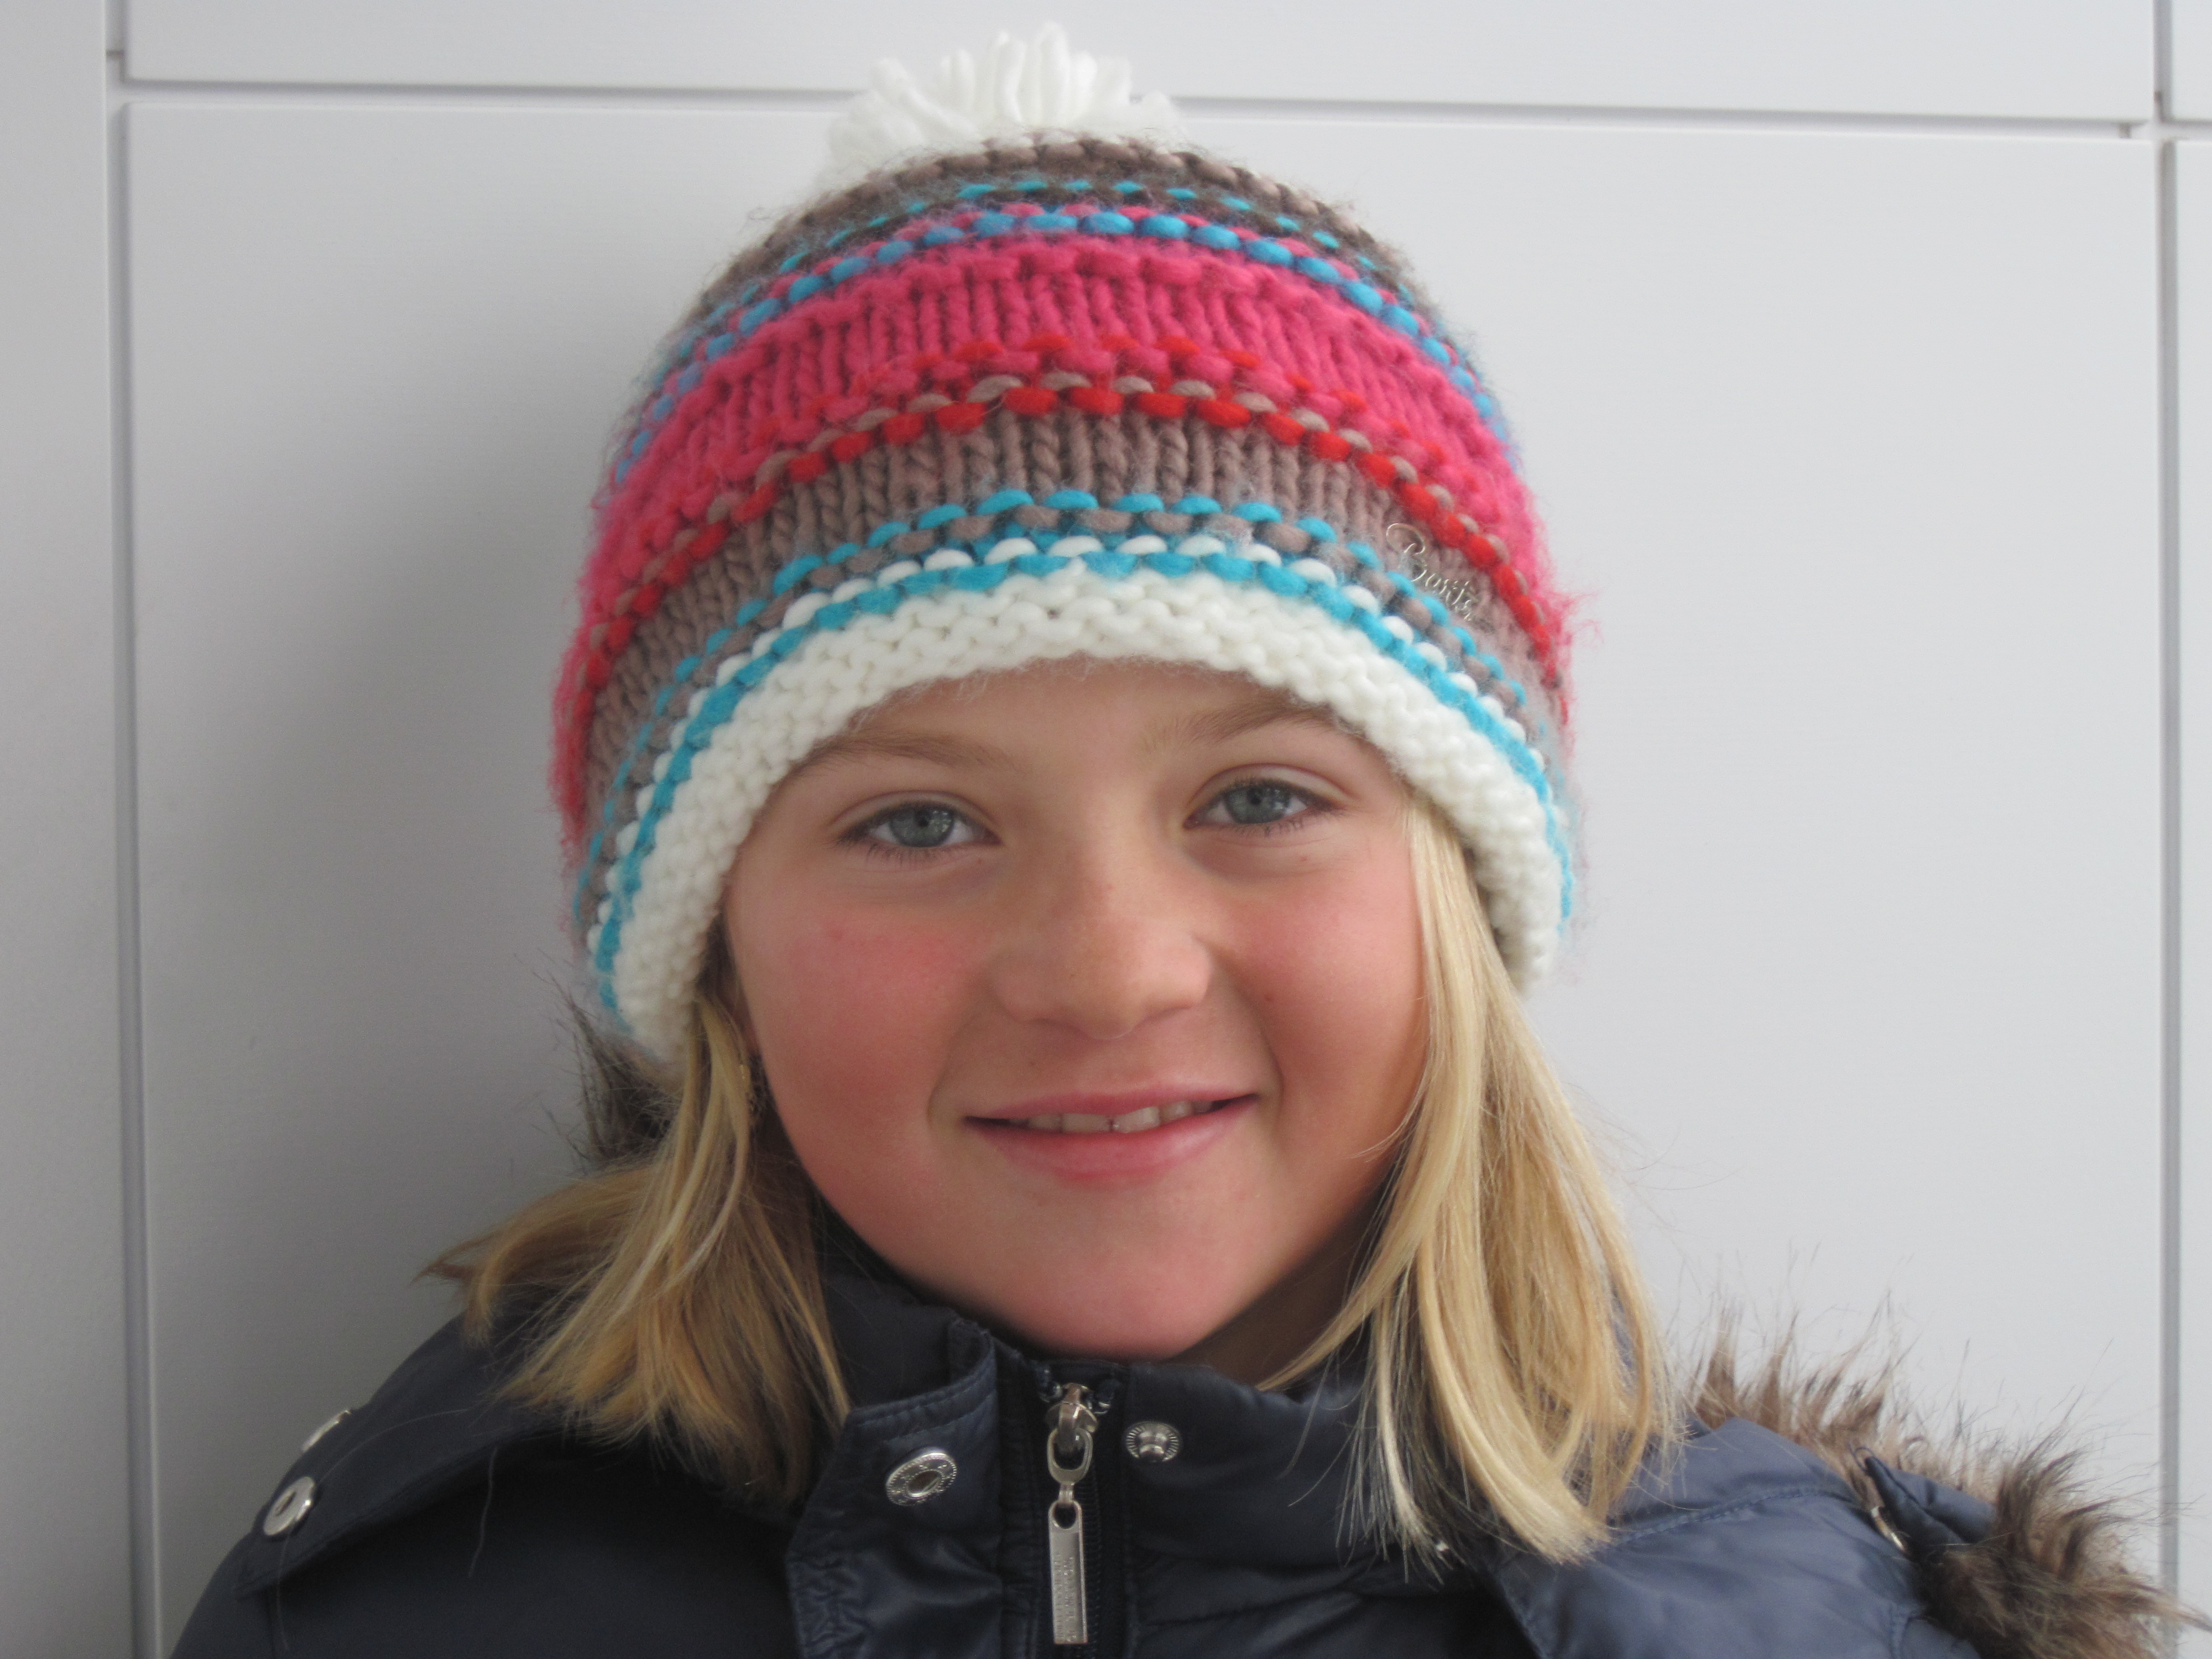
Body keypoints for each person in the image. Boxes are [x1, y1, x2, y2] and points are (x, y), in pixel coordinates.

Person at [173, 29, 2185, 1659]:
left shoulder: (1811, 1626)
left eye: (1260, 799)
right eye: (920, 820)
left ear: (1461, 895)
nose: (1112, 967)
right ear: (716, 951)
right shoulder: (396, 1608)